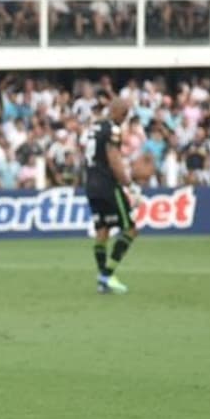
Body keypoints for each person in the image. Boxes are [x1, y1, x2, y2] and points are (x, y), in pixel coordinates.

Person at [84, 97, 139, 294]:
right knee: (131, 229)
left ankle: (102, 280)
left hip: (91, 185)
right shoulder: (113, 129)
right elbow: (114, 159)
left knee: (103, 231)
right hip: (108, 186)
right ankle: (106, 275)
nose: (124, 119)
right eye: (123, 114)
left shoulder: (94, 128)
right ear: (115, 111)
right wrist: (129, 184)